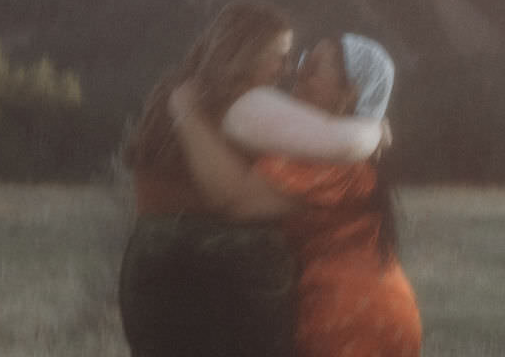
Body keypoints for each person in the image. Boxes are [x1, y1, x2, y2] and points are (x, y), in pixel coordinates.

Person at [119, 0, 388, 357]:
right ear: (246, 53)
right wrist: (373, 129)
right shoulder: (248, 102)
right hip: (232, 262)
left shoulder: (171, 92)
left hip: (147, 257)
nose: (288, 68)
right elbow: (340, 142)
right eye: (280, 55)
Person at [171, 37, 422, 357]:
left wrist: (186, 112)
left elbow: (236, 201)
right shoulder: (339, 151)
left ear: (349, 94)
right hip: (371, 310)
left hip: (352, 319)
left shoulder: (333, 163)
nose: (298, 73)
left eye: (314, 68)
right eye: (303, 60)